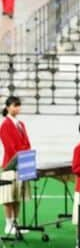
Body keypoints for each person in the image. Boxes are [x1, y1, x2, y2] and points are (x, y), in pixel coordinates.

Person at [0, 96, 30, 237]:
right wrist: (20, 154)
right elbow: (9, 147)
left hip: (22, 163)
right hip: (10, 165)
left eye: (18, 105)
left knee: (18, 196)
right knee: (8, 197)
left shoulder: (21, 124)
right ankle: (8, 224)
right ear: (7, 107)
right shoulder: (5, 125)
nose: (17, 108)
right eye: (14, 105)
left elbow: (27, 143)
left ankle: (16, 224)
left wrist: (25, 155)